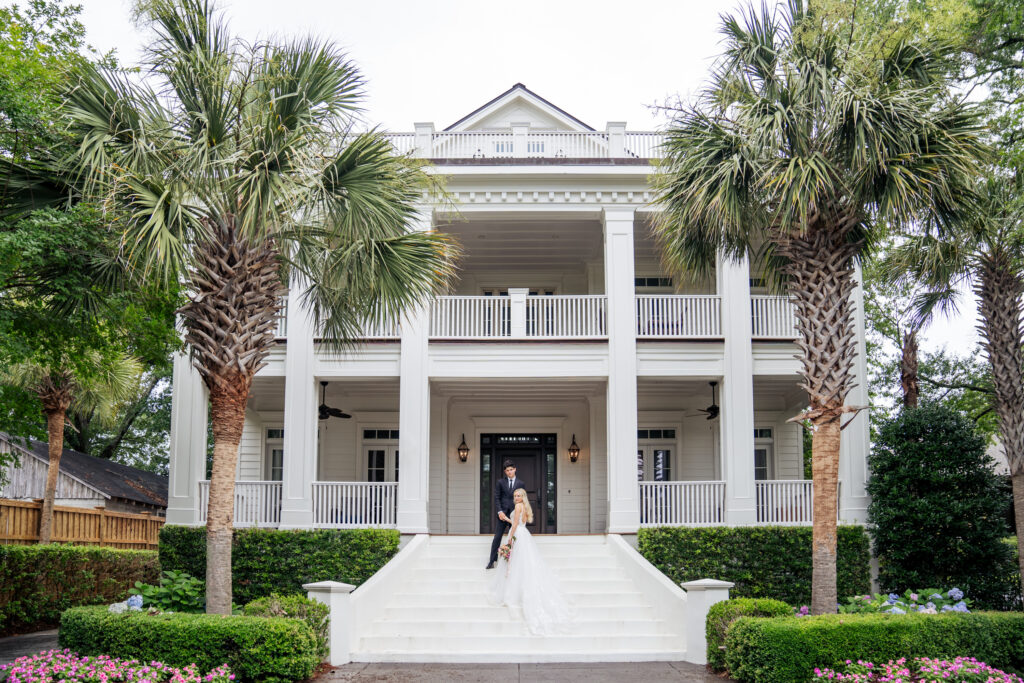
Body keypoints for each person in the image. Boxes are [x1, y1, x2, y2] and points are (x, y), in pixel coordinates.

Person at [489, 487, 573, 635]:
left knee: (516, 563)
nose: (516, 497)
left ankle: (515, 592)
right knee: (524, 563)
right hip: (524, 534)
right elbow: (519, 523)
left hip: (517, 535)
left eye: (519, 495)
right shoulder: (525, 507)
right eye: (515, 495)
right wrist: (507, 519)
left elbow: (515, 525)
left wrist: (509, 540)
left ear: (523, 496)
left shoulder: (517, 506)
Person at [486, 460, 524, 569]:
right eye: (507, 470)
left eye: (511, 470)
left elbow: (523, 498)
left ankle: (516, 561)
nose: (509, 472)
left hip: (514, 514)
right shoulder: (500, 482)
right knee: (497, 537)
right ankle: (492, 561)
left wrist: (521, 512)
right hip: (502, 514)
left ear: (515, 469)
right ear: (505, 471)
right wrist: (500, 511)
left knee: (516, 537)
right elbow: (497, 497)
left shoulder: (521, 483)